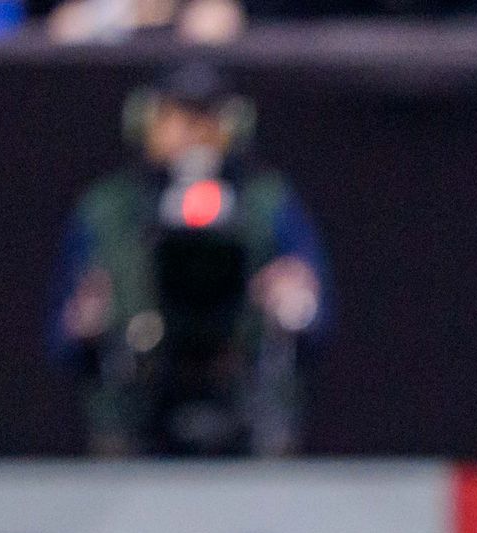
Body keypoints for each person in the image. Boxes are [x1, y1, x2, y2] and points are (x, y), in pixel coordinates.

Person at [50, 64, 330, 456]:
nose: (192, 133)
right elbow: (61, 338)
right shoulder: (106, 208)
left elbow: (318, 320)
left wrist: (297, 305)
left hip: (246, 414)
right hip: (136, 420)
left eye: (206, 118)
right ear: (145, 122)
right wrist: (85, 321)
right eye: (176, 117)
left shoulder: (269, 203)